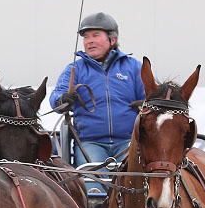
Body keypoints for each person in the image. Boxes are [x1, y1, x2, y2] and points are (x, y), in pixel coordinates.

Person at [49, 12, 145, 168]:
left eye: (95, 35)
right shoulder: (75, 69)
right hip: (90, 143)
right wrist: (62, 99)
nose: (89, 41)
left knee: (132, 186)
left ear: (112, 39)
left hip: (130, 141)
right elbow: (56, 98)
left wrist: (145, 104)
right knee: (93, 187)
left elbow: (152, 99)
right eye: (86, 37)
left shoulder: (134, 67)